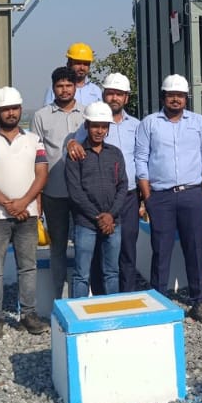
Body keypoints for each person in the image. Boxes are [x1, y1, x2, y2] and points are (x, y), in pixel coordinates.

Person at [134, 73, 202, 322]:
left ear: (186, 98)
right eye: (171, 95)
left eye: (180, 96)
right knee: (161, 250)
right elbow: (141, 159)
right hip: (161, 197)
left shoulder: (198, 122)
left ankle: (198, 301)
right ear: (163, 97)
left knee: (195, 249)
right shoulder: (149, 123)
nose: (176, 100)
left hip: (192, 193)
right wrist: (147, 196)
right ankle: (158, 301)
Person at [0, 87, 49, 340]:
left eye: (14, 108)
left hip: (27, 214)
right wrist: (8, 204)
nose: (11, 113)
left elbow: (41, 175)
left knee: (28, 267)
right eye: (5, 109)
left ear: (20, 109)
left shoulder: (34, 141)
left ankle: (28, 314)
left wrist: (23, 203)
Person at [66, 73, 143, 291]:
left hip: (124, 202)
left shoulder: (136, 127)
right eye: (110, 93)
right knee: (90, 265)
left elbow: (137, 166)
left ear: (126, 97)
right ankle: (95, 301)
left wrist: (114, 212)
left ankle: (123, 299)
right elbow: (75, 186)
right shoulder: (82, 139)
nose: (114, 98)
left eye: (119, 94)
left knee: (124, 255)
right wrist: (70, 143)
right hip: (89, 213)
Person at [31, 66, 86, 301]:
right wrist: (37, 195)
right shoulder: (41, 116)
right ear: (53, 88)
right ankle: (59, 299)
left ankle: (82, 297)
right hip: (54, 192)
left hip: (83, 193)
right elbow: (35, 156)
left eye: (68, 85)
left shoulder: (87, 115)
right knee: (58, 248)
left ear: (75, 87)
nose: (64, 90)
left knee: (84, 246)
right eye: (60, 86)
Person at [65, 102, 127, 296]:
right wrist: (98, 217)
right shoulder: (76, 155)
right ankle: (78, 312)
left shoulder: (115, 153)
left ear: (108, 128)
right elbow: (75, 192)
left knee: (112, 272)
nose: (99, 131)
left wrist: (111, 215)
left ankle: (112, 310)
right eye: (95, 126)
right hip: (85, 223)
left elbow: (122, 185)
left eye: (103, 126)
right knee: (82, 274)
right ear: (86, 126)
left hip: (113, 222)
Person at [42, 41, 103, 107]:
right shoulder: (55, 89)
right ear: (69, 64)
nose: (82, 68)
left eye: (86, 64)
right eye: (78, 63)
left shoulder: (96, 90)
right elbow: (48, 111)